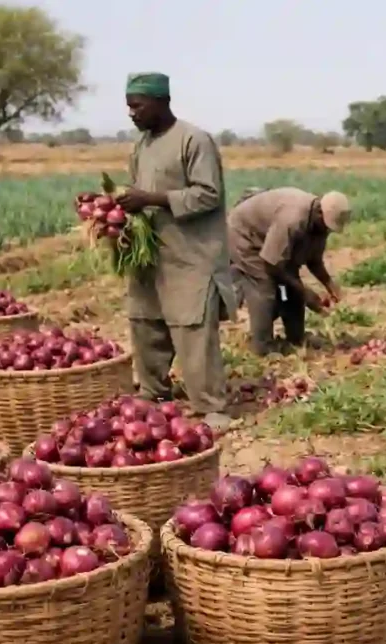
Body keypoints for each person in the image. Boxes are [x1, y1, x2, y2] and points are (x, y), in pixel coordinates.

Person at [116, 72, 235, 430]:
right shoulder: (142, 145)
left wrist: (151, 199)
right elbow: (139, 193)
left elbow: (208, 194)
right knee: (145, 320)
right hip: (151, 251)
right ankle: (153, 392)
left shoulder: (193, 140)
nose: (132, 114)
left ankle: (212, 405)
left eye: (137, 106)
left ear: (161, 102)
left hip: (191, 254)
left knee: (192, 329)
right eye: (128, 107)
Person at [227, 187, 349, 356]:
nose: (327, 231)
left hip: (269, 239)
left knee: (291, 282)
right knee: (264, 286)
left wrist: (330, 284)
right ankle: (262, 345)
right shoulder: (293, 220)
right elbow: (271, 263)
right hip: (245, 236)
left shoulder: (319, 224)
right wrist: (305, 293)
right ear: (320, 213)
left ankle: (296, 337)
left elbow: (313, 259)